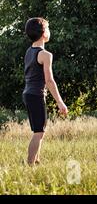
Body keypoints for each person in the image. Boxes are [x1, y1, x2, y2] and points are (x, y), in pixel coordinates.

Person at [23, 18, 68, 166]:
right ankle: (29, 165)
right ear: (43, 33)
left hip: (28, 93)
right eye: (48, 28)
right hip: (36, 95)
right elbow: (49, 81)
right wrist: (60, 102)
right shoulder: (45, 55)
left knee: (39, 130)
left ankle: (36, 161)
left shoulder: (29, 51)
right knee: (39, 132)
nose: (49, 31)